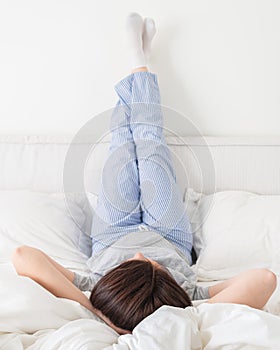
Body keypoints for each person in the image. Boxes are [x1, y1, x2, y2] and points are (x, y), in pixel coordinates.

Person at [12, 13, 276, 336]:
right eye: (152, 267)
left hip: (112, 234)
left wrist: (93, 306)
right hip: (169, 233)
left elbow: (23, 257)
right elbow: (265, 280)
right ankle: (138, 61)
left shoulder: (101, 289)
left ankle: (136, 61)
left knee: (122, 144)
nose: (140, 254)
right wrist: (188, 311)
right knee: (150, 145)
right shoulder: (184, 298)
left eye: (132, 266)